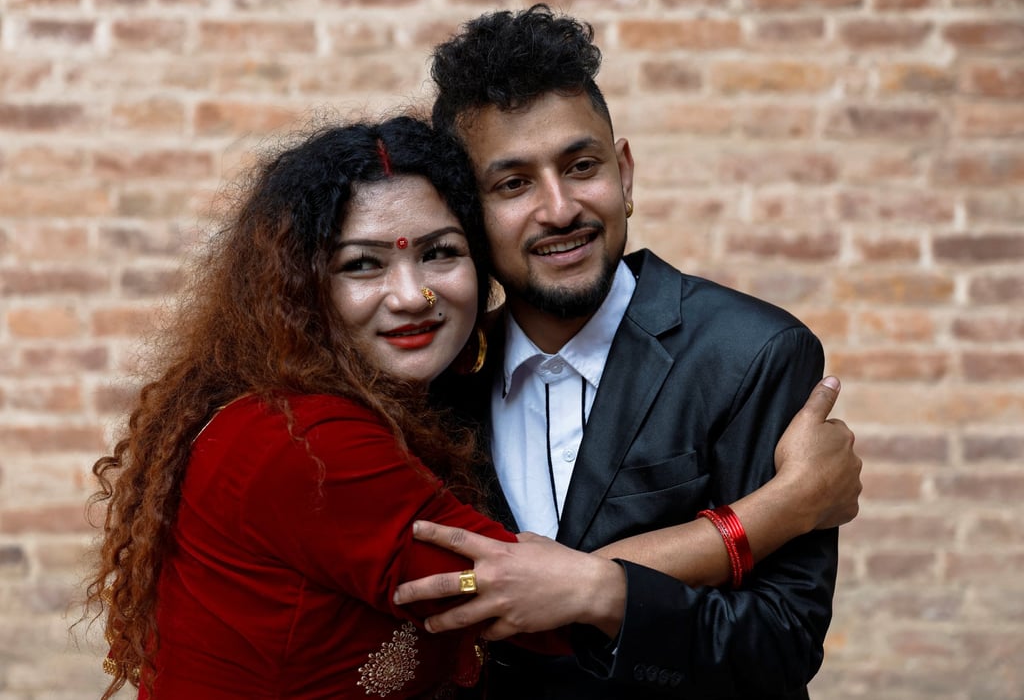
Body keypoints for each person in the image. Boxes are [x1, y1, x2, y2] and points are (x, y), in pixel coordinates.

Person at [83, 113, 853, 699]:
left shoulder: (409, 402)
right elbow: (534, 596)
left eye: (440, 252)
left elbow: (779, 636)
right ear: (299, 286)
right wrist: (780, 507)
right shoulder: (311, 445)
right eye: (363, 263)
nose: (413, 293)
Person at [393, 5, 861, 699]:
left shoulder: (755, 354)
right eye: (514, 183)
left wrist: (602, 592)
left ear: (626, 174)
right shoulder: (436, 376)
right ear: (467, 213)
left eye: (581, 166)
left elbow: (780, 639)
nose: (560, 208)